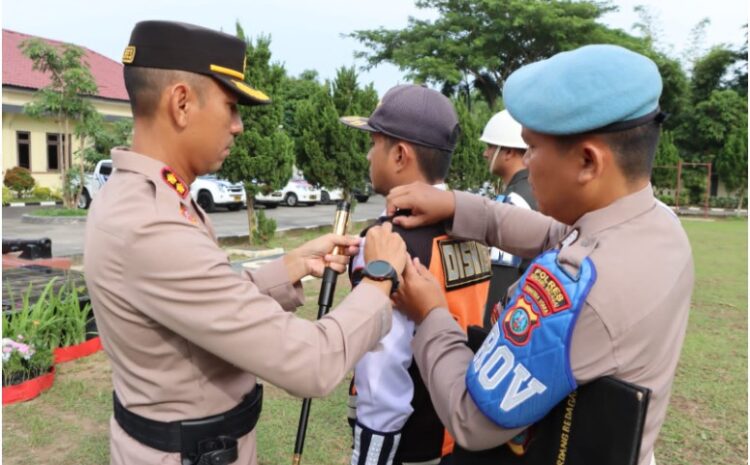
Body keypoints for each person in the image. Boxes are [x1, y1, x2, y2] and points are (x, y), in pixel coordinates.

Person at [84, 20, 408, 465]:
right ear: (181, 103)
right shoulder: (152, 224)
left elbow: (203, 303)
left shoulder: (143, 197)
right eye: (231, 106)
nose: (237, 126)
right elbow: (309, 362)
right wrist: (380, 279)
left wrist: (290, 267)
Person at [386, 44, 694, 465]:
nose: (526, 162)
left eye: (532, 148)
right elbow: (558, 234)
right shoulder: (657, 225)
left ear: (588, 161)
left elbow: (471, 417)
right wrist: (457, 206)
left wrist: (432, 316)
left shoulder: (584, 290)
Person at [340, 84, 491, 465]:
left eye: (374, 143)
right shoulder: (471, 228)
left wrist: (369, 456)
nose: (369, 154)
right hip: (459, 425)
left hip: (407, 444)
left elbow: (382, 370)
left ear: (400, 155)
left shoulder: (387, 243)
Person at [479, 110, 537, 328]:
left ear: (509, 152)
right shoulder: (538, 193)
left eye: (491, 146)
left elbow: (502, 282)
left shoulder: (513, 202)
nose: (486, 153)